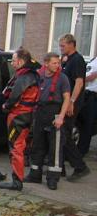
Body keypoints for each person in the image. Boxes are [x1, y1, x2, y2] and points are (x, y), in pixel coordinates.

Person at [27, 52, 71, 190]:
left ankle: (52, 179)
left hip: (54, 113)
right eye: (54, 63)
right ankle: (35, 174)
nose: (57, 65)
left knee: (55, 149)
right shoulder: (39, 76)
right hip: (40, 113)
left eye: (58, 63)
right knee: (37, 146)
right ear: (46, 63)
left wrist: (61, 117)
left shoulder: (62, 78)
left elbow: (66, 99)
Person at [0, 47, 40, 191]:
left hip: (18, 117)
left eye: (14, 61)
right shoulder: (34, 75)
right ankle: (18, 179)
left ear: (21, 61)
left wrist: (6, 106)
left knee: (16, 148)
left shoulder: (23, 77)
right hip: (28, 116)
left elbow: (14, 96)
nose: (12, 63)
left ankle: (17, 182)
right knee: (20, 146)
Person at [59, 33, 91, 181]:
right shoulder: (67, 60)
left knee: (65, 134)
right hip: (65, 101)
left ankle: (80, 166)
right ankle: (60, 167)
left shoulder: (77, 60)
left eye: (63, 45)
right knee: (61, 133)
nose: (61, 48)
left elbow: (79, 83)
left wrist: (72, 101)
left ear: (72, 44)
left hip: (72, 103)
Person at [81, 54, 97, 155]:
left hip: (94, 96)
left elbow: (92, 76)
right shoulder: (93, 59)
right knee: (84, 123)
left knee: (88, 125)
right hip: (87, 94)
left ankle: (82, 150)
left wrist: (80, 79)